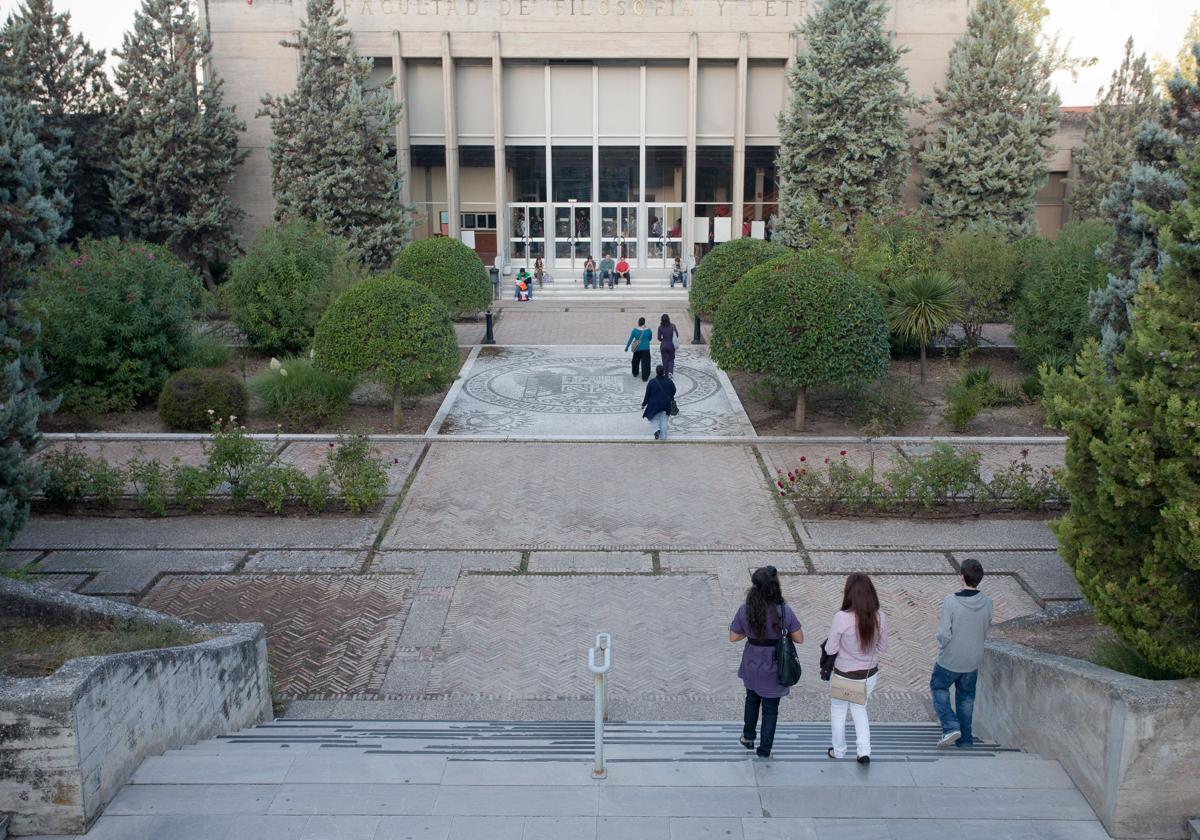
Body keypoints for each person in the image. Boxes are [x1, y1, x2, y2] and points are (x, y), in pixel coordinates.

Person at [728, 566, 804, 758]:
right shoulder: (784, 611)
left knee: (752, 701)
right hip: (775, 666)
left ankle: (748, 736)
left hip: (752, 663)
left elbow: (733, 637)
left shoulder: (745, 610)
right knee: (771, 710)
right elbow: (799, 638)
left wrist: (752, 630)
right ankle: (765, 749)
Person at [930, 558, 993, 749]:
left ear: (962, 577)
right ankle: (965, 741)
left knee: (938, 688)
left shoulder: (951, 602)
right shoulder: (988, 602)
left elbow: (943, 634)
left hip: (950, 658)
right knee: (966, 699)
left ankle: (949, 726)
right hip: (973, 660)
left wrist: (942, 646)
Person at [825, 573, 888, 764]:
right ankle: (864, 751)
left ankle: (839, 750)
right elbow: (883, 647)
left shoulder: (841, 618)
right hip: (868, 675)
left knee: (838, 712)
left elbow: (830, 648)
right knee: (860, 710)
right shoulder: (880, 617)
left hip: (844, 675)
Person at [641, 364, 677, 440]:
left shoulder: (652, 382)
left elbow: (647, 394)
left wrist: (643, 404)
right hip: (666, 404)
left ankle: (656, 430)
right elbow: (674, 390)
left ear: (656, 372)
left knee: (654, 419)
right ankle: (664, 438)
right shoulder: (669, 381)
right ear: (664, 372)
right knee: (664, 420)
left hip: (654, 405)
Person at [625, 317, 652, 381]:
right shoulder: (649, 330)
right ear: (644, 322)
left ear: (638, 322)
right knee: (646, 363)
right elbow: (650, 339)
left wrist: (627, 347)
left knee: (635, 361)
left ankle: (635, 373)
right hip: (646, 349)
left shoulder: (634, 330)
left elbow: (630, 339)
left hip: (637, 348)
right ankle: (645, 377)